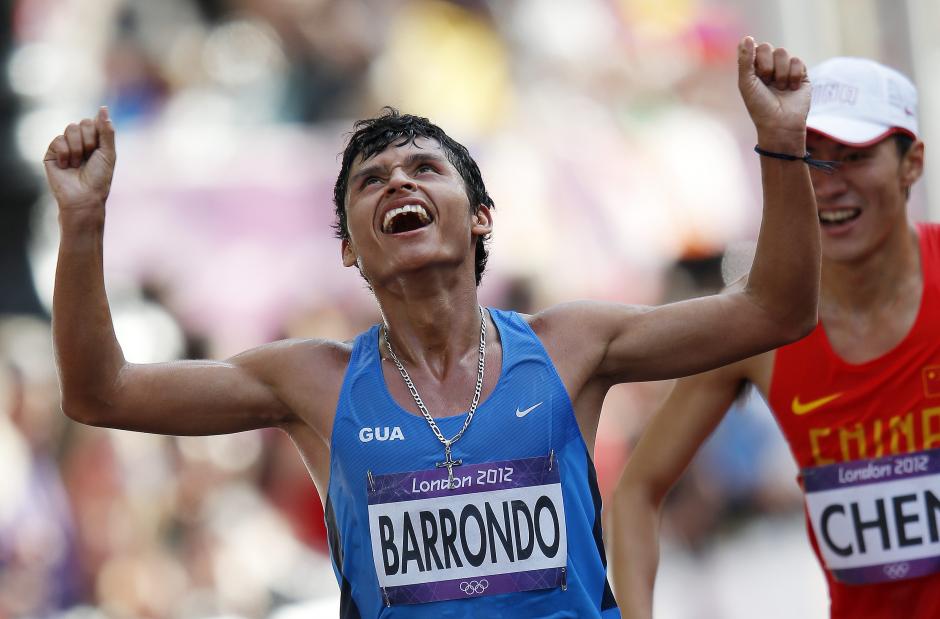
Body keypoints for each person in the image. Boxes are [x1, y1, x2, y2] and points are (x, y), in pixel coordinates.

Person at [44, 37, 818, 618]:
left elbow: (775, 309)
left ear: (481, 217)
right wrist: (81, 227)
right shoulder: (310, 379)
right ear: (348, 249)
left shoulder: (569, 344)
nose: (398, 182)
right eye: (371, 181)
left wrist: (782, 144)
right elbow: (101, 392)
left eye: (425, 168)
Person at [611, 55, 934, 619]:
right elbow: (636, 494)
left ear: (912, 165)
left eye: (855, 157)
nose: (830, 185)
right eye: (811, 158)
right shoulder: (760, 324)